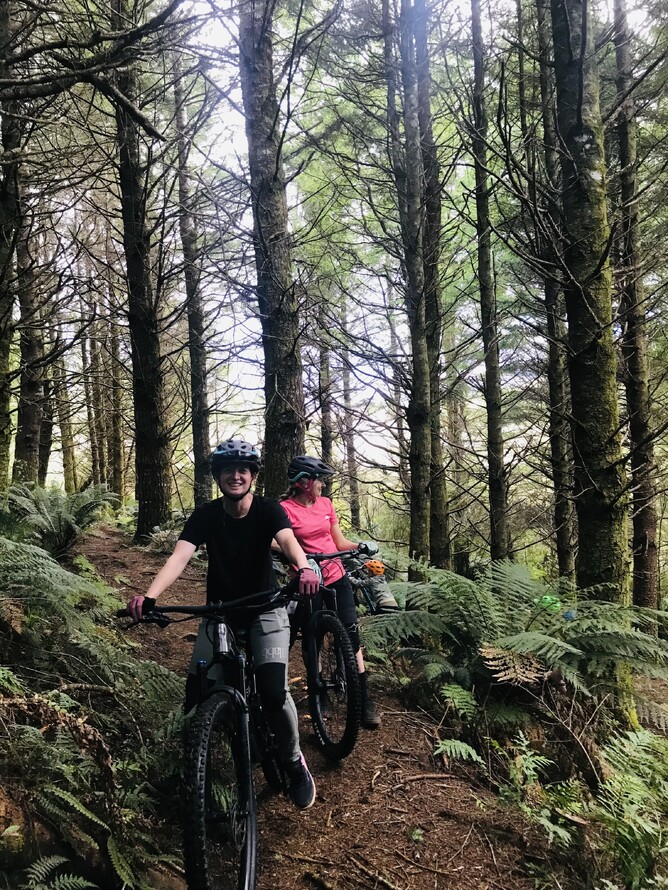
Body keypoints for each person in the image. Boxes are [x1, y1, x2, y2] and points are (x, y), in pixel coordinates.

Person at [126, 438, 320, 810]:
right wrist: (149, 596)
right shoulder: (206, 515)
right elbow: (179, 557)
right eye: (228, 469)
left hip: (266, 609)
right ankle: (198, 765)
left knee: (273, 693)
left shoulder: (268, 510)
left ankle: (294, 760)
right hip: (219, 612)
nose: (236, 476)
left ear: (253, 476)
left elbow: (289, 542)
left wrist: (305, 568)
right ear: (217, 476)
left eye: (243, 469)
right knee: (197, 693)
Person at [279, 455, 382, 729]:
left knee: (351, 632)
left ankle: (364, 697)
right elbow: (275, 542)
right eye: (319, 480)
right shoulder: (285, 510)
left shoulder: (325, 504)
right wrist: (301, 557)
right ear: (303, 482)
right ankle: (319, 692)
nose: (322, 485)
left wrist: (360, 546)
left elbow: (339, 541)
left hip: (336, 575)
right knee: (312, 636)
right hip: (308, 579)